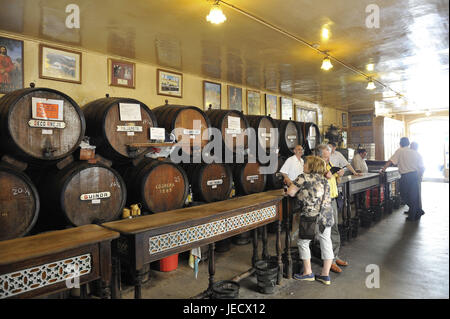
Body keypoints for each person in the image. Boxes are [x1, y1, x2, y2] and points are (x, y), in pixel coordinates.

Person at [285, 155, 334, 285]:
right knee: (326, 242)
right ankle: (325, 275)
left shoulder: (303, 177)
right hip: (326, 215)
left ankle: (307, 273)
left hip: (310, 216)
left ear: (311, 166)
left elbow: (290, 192)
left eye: (305, 163)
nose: (303, 165)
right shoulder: (324, 179)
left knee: (303, 242)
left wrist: (291, 185)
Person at [316, 144, 349, 273]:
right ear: (319, 157)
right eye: (325, 157)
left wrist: (339, 174)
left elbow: (336, 182)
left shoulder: (329, 166)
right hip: (324, 202)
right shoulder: (316, 168)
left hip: (333, 200)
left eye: (328, 157)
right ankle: (328, 261)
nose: (327, 159)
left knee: (335, 228)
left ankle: (334, 257)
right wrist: (326, 175)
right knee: (325, 233)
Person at [381, 137, 424, 221]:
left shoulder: (399, 151)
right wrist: (420, 176)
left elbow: (390, 161)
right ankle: (416, 211)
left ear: (400, 143)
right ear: (408, 144)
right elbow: (421, 167)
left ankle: (414, 213)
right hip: (414, 176)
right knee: (413, 196)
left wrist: (383, 169)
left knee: (404, 195)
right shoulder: (415, 153)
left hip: (405, 177)